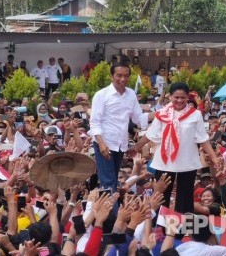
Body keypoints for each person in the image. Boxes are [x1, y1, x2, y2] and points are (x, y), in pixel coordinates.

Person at [130, 82, 219, 214]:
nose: (179, 100)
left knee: (185, 196)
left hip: (187, 161)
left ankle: (182, 228)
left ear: (187, 97)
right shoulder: (161, 114)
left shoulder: (195, 115)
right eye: (176, 97)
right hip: (164, 162)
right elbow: (150, 134)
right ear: (170, 97)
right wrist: (136, 147)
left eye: (183, 97)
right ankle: (161, 226)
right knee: (161, 194)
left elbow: (203, 139)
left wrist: (214, 157)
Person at [89, 62, 152, 193]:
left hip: (120, 144)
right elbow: (95, 122)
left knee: (114, 180)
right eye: (119, 75)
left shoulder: (131, 94)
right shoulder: (101, 95)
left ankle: (112, 210)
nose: (122, 79)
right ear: (112, 76)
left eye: (126, 76)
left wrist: (158, 114)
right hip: (104, 143)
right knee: (108, 182)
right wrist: (101, 144)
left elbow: (137, 118)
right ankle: (111, 212)